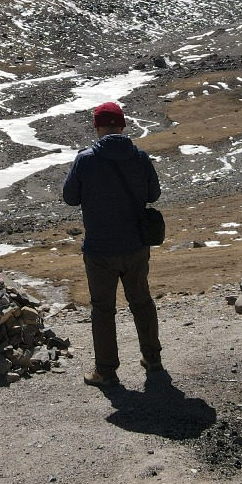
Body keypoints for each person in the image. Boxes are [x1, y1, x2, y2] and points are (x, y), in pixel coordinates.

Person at [61, 100, 162, 386]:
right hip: (136, 246)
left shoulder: (86, 159)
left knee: (103, 309)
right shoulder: (139, 157)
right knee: (141, 301)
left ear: (97, 127)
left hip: (99, 249)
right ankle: (152, 359)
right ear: (122, 125)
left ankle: (106, 371)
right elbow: (153, 195)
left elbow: (70, 198)